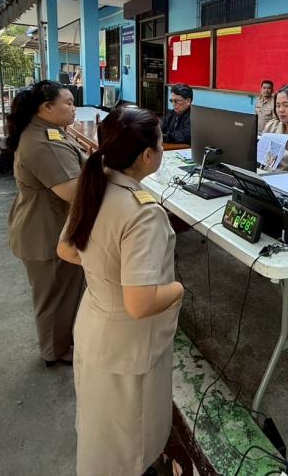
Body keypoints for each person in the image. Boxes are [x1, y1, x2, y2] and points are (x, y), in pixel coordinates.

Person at [57, 107, 183, 475]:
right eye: (160, 143)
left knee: (101, 433)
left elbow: (67, 250)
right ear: (147, 156)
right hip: (127, 345)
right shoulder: (143, 213)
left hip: (94, 326)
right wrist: (178, 289)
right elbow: (140, 303)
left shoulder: (95, 185)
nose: (161, 149)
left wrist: (106, 268)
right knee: (130, 444)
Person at [7, 81, 86, 367]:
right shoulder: (43, 143)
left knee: (65, 292)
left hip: (51, 224)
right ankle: (55, 351)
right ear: (47, 107)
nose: (74, 107)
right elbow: (73, 191)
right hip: (46, 231)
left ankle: (64, 341)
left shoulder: (50, 131)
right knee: (54, 297)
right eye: (68, 103)